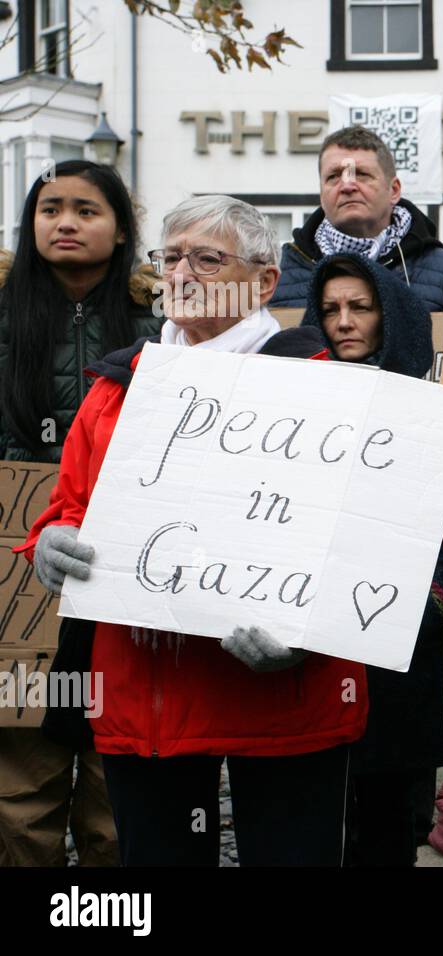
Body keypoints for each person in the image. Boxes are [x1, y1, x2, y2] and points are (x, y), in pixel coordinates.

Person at [19, 196, 369, 866]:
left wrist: (313, 628)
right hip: (149, 691)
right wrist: (52, 546)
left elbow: (365, 545)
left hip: (283, 695)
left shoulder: (324, 386)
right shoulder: (119, 385)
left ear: (264, 282)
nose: (182, 272)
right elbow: (68, 508)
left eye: (207, 259)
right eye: (170, 257)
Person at [0, 160, 160, 867]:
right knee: (20, 782)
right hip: (16, 573)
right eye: (50, 208)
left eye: (86, 210)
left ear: (122, 227)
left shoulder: (162, 328)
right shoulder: (3, 318)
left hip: (126, 567)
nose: (65, 222)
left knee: (116, 778)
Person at [301, 252, 443, 866]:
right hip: (312, 652)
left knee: (394, 823)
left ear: (390, 315)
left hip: (399, 652)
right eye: (331, 309)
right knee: (320, 821)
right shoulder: (296, 404)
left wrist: (431, 604)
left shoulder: (430, 411)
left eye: (360, 308)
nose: (344, 321)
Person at [268, 125, 443, 313]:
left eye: (362, 174)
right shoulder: (279, 273)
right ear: (321, 194)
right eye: (333, 176)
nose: (347, 186)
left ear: (393, 190)